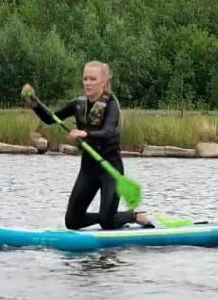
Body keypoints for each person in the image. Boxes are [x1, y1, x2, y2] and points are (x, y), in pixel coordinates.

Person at [22, 61, 154, 230]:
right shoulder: (78, 104)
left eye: (93, 79)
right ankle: (112, 217)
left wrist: (85, 133)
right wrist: (34, 102)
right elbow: (50, 118)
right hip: (88, 169)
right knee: (72, 222)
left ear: (103, 82)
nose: (88, 83)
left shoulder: (112, 104)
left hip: (110, 168)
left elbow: (109, 131)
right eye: (85, 78)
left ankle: (134, 216)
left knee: (107, 222)